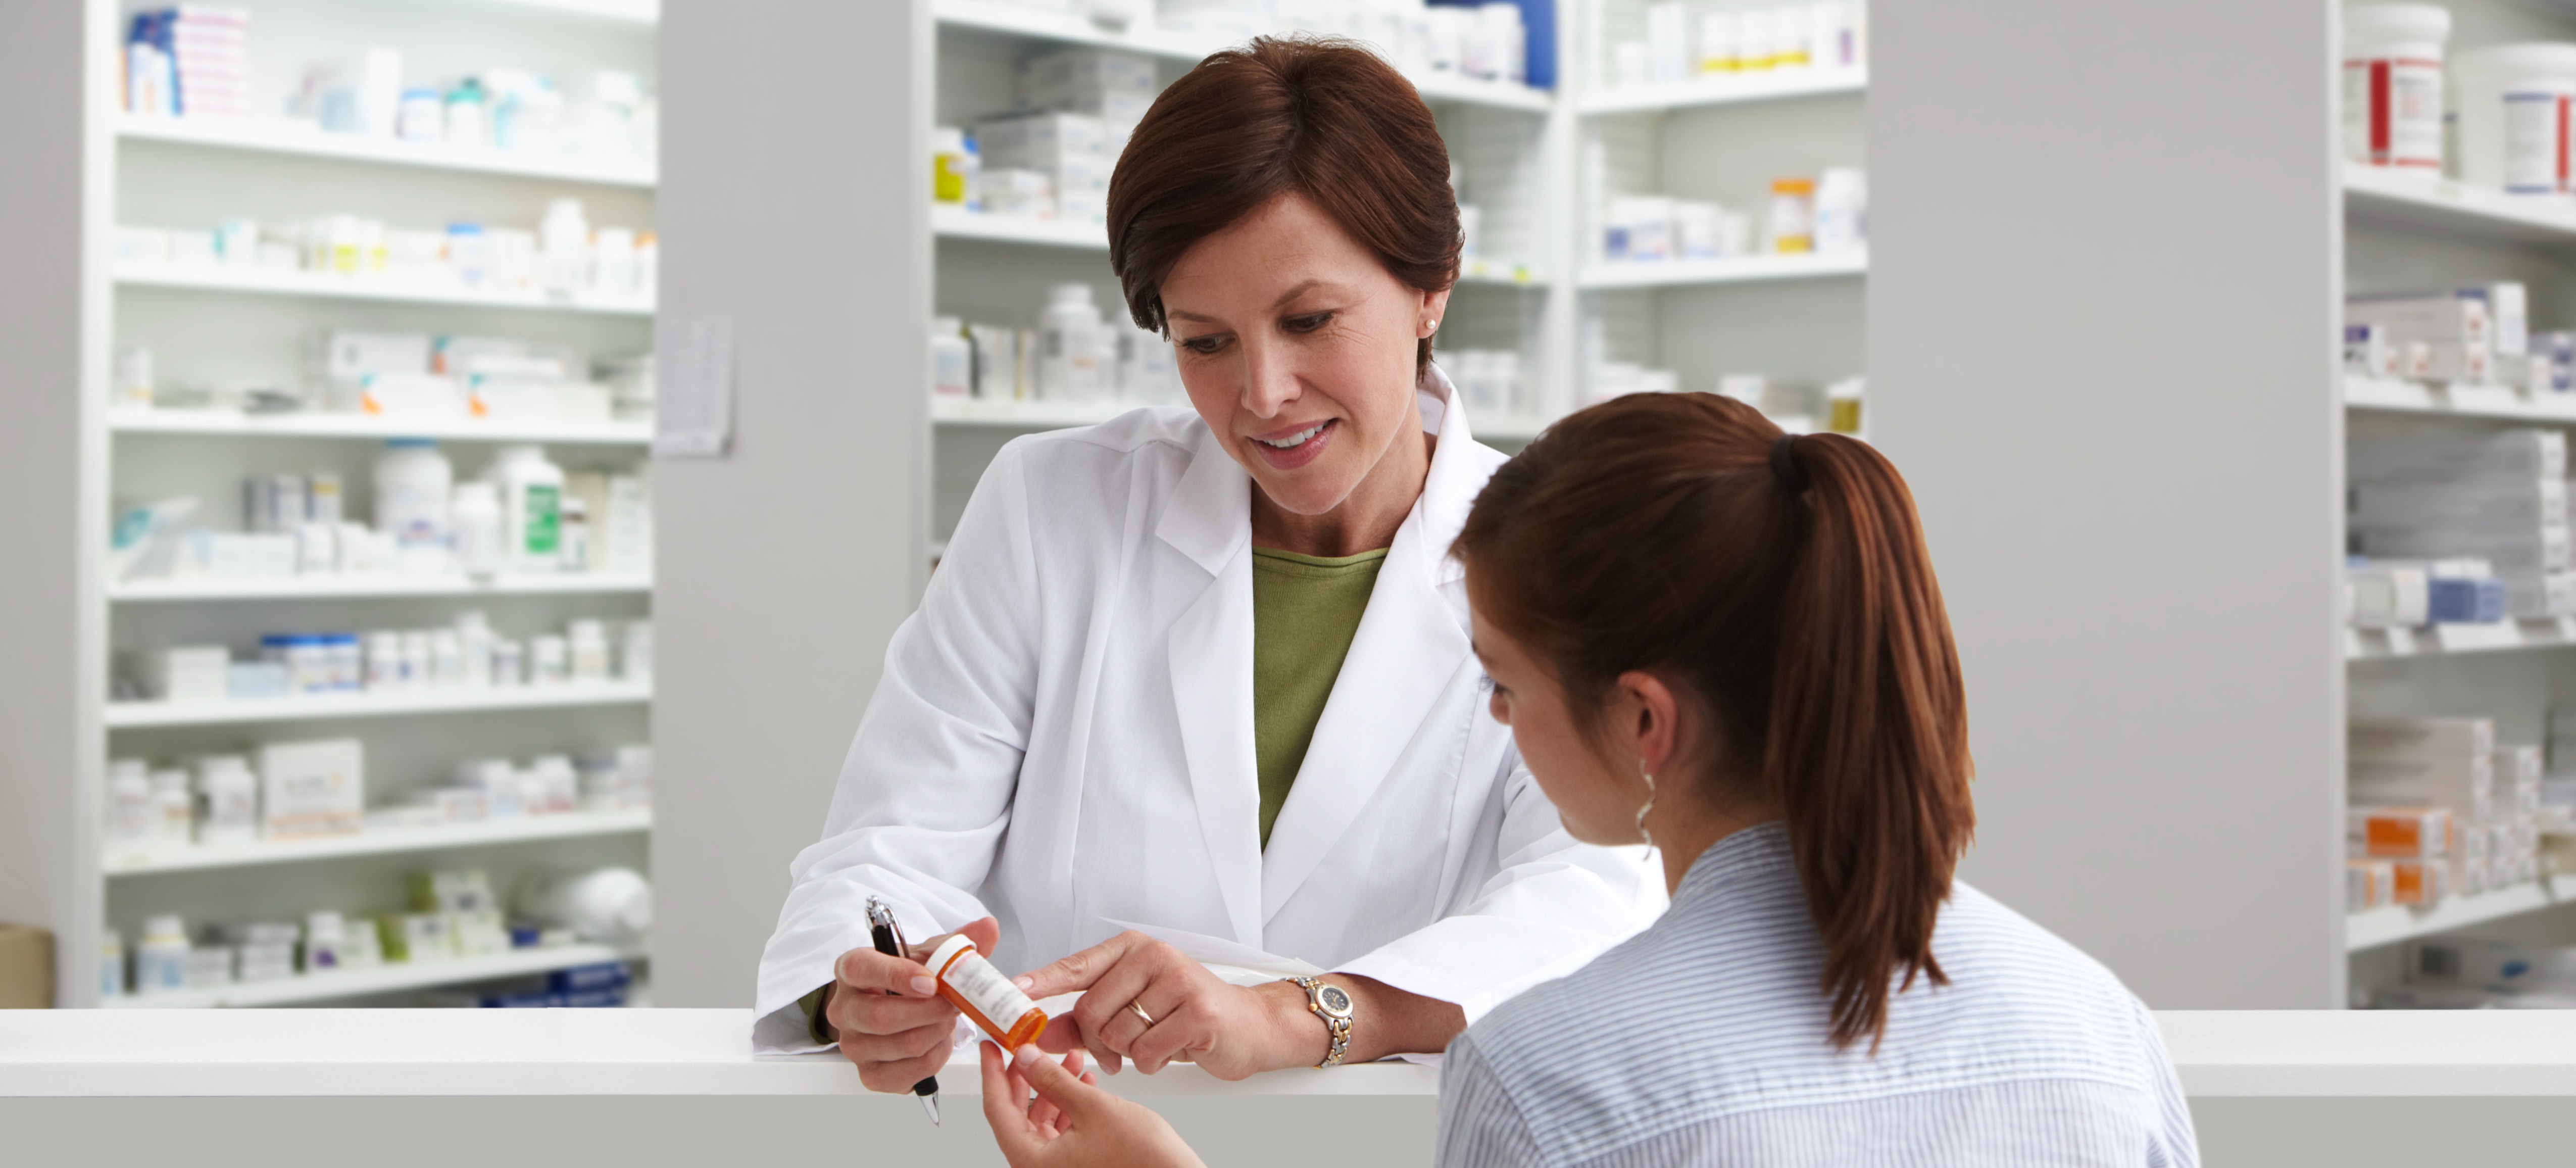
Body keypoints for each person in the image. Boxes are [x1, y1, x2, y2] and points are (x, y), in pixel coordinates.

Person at [750, 36, 1662, 1092]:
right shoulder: (1052, 507)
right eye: (1205, 341)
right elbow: (889, 843)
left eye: (1309, 320)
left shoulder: (1563, 552)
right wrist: (861, 988)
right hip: (1077, 1139)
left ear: (1431, 288)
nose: (1263, 392)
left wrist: (1305, 1014)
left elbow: (1595, 897)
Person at [974, 392, 2201, 1167]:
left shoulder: (1556, 1073)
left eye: (1503, 685)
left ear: (1644, 722)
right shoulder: (2097, 1027)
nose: (1496, 721)